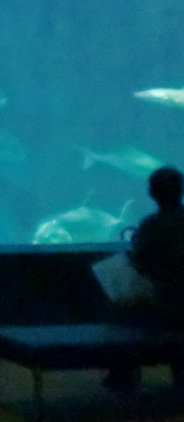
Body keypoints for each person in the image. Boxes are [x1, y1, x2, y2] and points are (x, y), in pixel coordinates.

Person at [105, 166, 184, 391]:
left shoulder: (151, 225)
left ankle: (122, 372)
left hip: (164, 303)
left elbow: (140, 263)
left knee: (122, 310)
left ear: (152, 193)